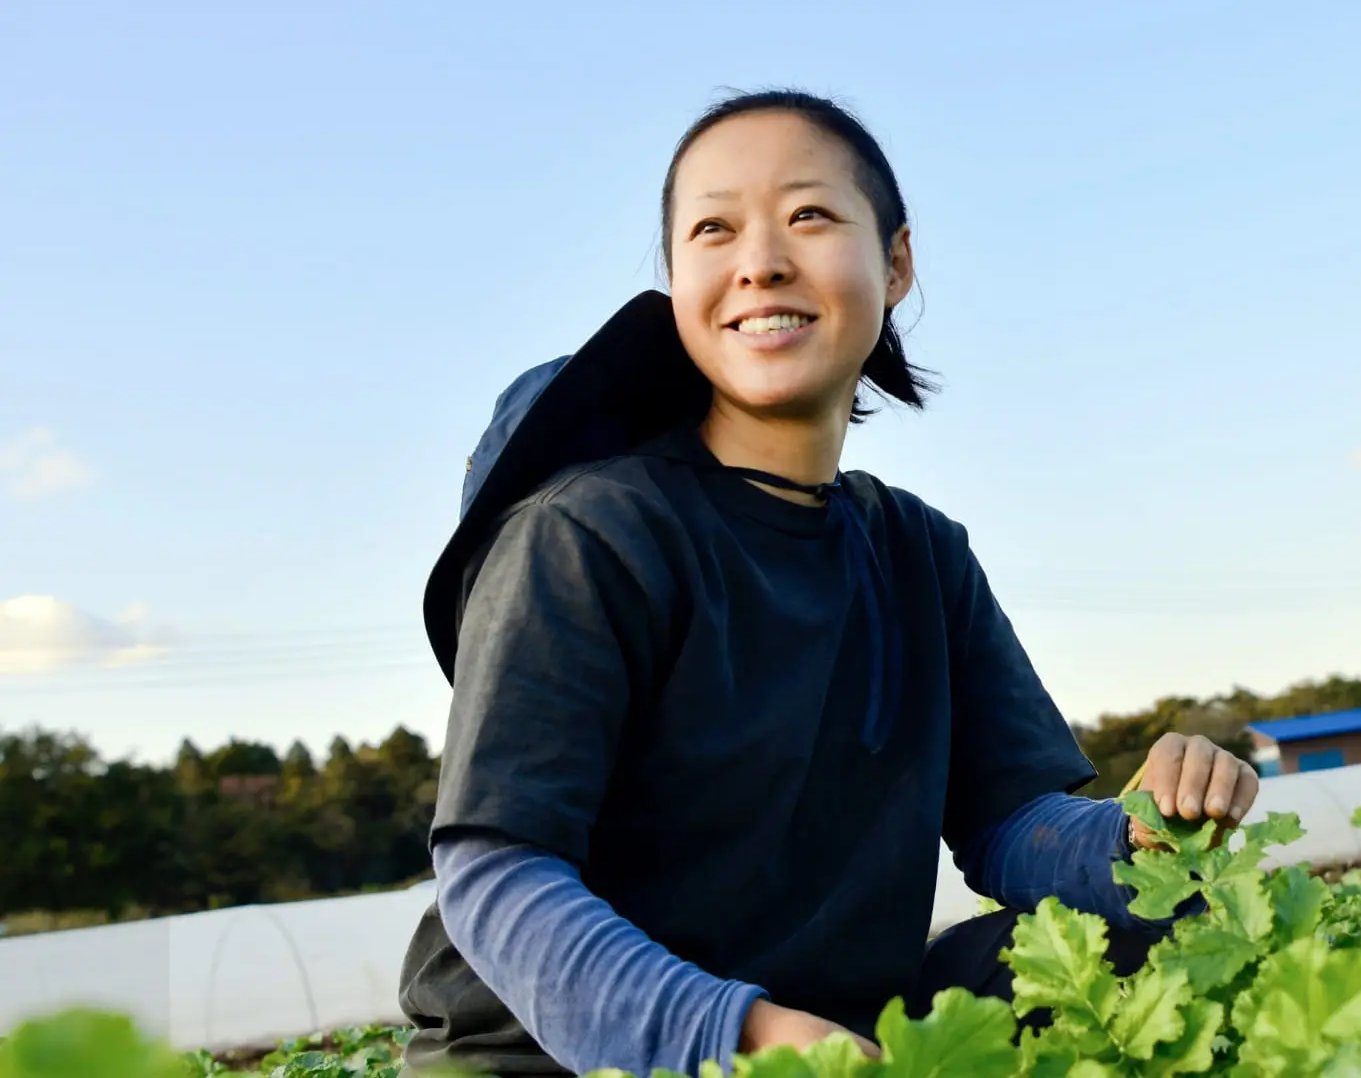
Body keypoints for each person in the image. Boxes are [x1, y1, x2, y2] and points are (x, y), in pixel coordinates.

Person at [397, 90, 1259, 1077]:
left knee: (1134, 938)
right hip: (559, 1056)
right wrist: (736, 1035)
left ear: (894, 262)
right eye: (712, 228)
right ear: (677, 282)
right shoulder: (589, 532)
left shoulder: (918, 552)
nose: (759, 259)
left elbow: (1009, 823)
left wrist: (1141, 833)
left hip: (838, 1038)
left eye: (807, 214)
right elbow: (495, 873)